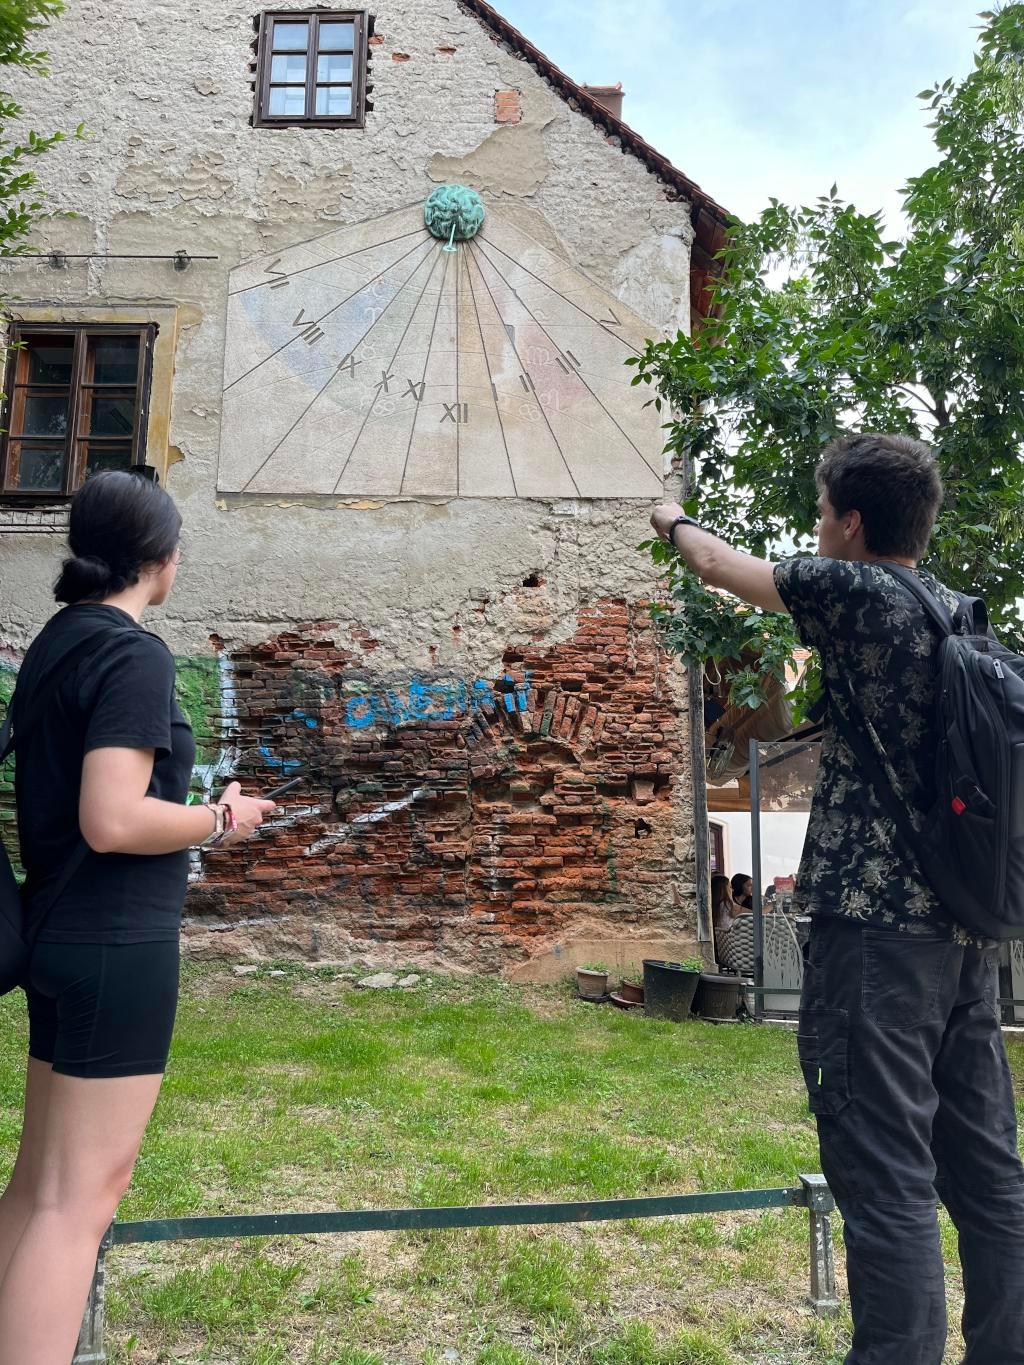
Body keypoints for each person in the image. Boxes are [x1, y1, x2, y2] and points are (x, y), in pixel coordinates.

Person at [652, 433, 1024, 1365]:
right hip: (968, 935)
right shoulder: (963, 617)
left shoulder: (855, 592)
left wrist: (672, 518)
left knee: (886, 1172)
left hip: (876, 942)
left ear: (852, 523)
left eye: (822, 513)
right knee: (988, 1174)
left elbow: (716, 564)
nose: (817, 530)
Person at [0, 471, 276, 1364]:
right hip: (116, 946)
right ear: (162, 558)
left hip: (60, 934)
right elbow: (113, 818)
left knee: (38, 1190)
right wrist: (221, 817)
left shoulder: (57, 641)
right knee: (78, 1205)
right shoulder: (133, 652)